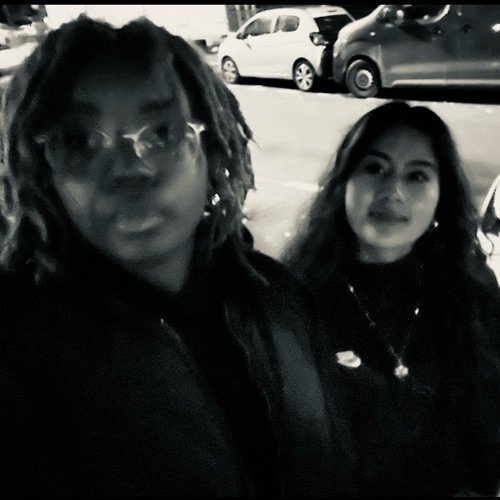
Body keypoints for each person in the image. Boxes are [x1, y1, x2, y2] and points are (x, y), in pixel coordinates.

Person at [0, 15, 357, 497]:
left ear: (211, 150)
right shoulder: (19, 352)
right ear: (44, 172)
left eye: (163, 132)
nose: (129, 170)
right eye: (79, 140)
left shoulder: (278, 301)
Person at [283, 101, 500, 497]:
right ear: (344, 182)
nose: (392, 192)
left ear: (441, 195)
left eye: (416, 175)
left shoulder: (472, 293)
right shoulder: (293, 301)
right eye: (374, 168)